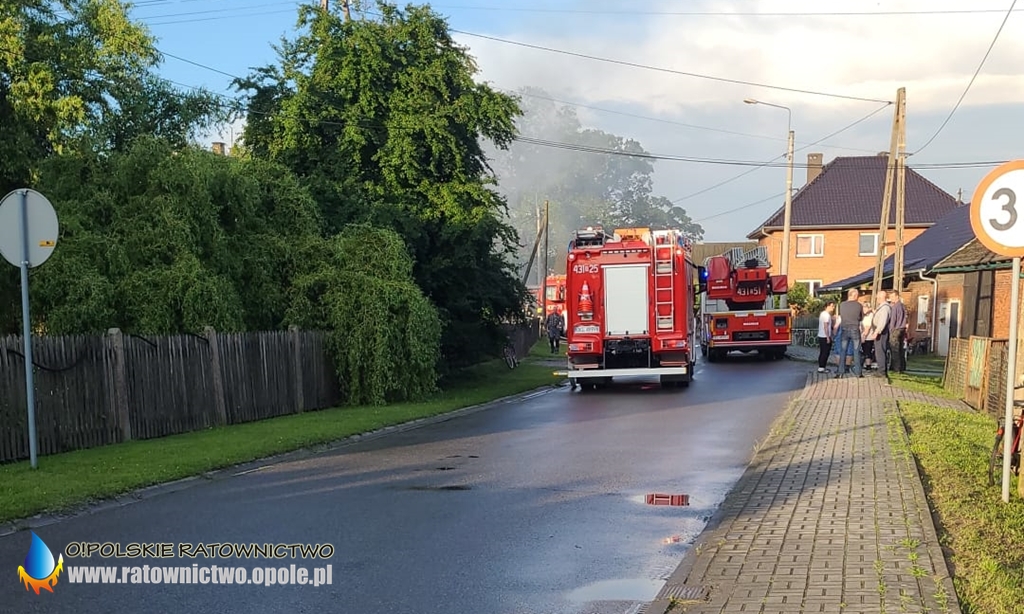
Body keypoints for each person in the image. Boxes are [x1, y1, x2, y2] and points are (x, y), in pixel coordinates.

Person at [834, 288, 864, 378]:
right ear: (854, 295)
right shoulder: (859, 305)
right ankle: (858, 373)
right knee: (856, 351)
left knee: (843, 350)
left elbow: (841, 316)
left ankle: (840, 372)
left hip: (844, 329)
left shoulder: (842, 305)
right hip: (855, 329)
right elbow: (861, 318)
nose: (858, 297)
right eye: (857, 295)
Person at [866, 293, 891, 377]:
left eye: (878, 298)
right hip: (880, 331)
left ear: (881, 298)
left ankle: (882, 371)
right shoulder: (882, 307)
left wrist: (877, 331)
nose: (877, 299)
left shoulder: (884, 308)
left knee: (880, 351)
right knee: (879, 350)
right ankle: (881, 369)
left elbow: (882, 321)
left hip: (881, 332)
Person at [887, 291, 908, 372]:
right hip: (902, 329)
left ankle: (896, 367)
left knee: (894, 349)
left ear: (897, 296)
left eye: (892, 297)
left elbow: (893, 320)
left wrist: (891, 329)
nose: (891, 299)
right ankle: (902, 366)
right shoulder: (903, 306)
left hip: (896, 329)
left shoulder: (895, 307)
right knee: (901, 349)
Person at [816, 300, 836, 373]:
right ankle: (822, 367)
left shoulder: (823, 314)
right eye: (832, 306)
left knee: (823, 352)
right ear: (827, 306)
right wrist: (828, 337)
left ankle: (821, 367)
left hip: (821, 335)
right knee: (825, 352)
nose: (833, 308)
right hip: (825, 336)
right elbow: (825, 326)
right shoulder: (826, 315)